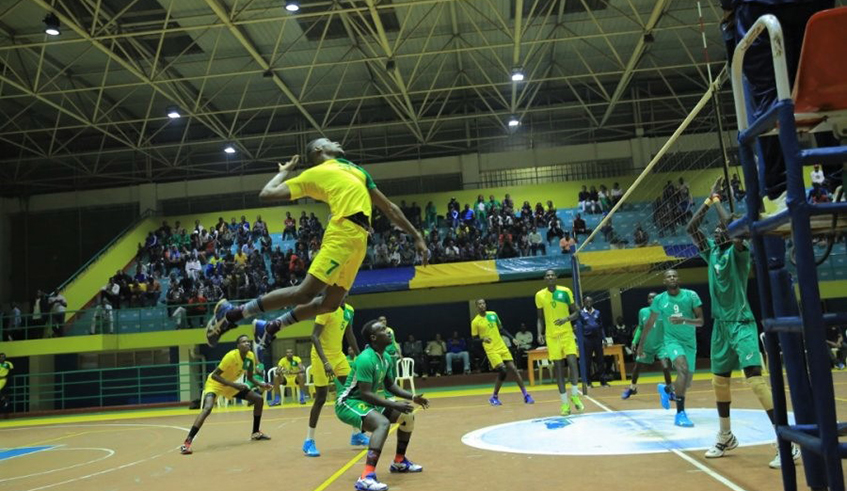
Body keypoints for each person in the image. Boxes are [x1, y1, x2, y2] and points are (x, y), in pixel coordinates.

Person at [205, 139, 428, 352]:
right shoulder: (315, 174)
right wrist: (283, 172)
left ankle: (270, 327)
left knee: (331, 304)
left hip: (360, 240)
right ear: (319, 150)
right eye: (331, 141)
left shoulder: (358, 171)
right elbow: (267, 194)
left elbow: (389, 208)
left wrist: (416, 235)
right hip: (342, 231)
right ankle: (232, 313)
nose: (338, 143)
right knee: (305, 294)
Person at [687, 177, 799, 467]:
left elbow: (737, 233)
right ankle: (726, 436)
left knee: (755, 382)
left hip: (741, 322)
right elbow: (691, 229)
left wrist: (722, 207)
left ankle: (786, 440)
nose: (716, 228)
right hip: (720, 327)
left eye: (721, 226)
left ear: (731, 231)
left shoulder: (739, 252)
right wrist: (709, 200)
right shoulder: (712, 251)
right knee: (718, 382)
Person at [335, 319, 429, 491]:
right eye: (383, 330)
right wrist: (395, 405)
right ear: (373, 337)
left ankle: (399, 462)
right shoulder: (365, 359)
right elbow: (366, 394)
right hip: (349, 402)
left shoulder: (385, 358)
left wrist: (413, 397)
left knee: (407, 416)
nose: (388, 332)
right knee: (382, 423)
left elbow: (390, 386)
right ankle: (366, 477)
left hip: (366, 401)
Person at [180, 335, 272, 454]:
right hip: (215, 384)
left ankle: (255, 433)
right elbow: (215, 375)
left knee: (258, 399)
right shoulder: (231, 356)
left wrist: (262, 384)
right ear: (238, 346)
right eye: (243, 342)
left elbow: (250, 377)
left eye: (248, 342)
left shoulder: (250, 357)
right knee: (207, 408)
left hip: (230, 386)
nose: (247, 344)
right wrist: (234, 385)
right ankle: (187, 443)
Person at [636, 269, 704, 428]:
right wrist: (641, 345)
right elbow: (649, 323)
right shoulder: (659, 299)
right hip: (672, 341)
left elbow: (701, 321)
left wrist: (683, 320)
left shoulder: (691, 295)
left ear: (678, 279)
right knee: (683, 369)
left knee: (685, 382)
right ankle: (680, 413)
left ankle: (666, 389)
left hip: (689, 342)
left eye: (674, 275)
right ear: (664, 281)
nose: (672, 277)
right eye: (668, 276)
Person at [300, 301, 367, 457]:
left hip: (339, 357)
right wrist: (325, 362)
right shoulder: (325, 309)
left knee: (353, 392)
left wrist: (360, 357)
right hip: (320, 357)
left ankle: (356, 435)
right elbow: (314, 337)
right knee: (321, 398)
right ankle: (309, 441)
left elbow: (350, 334)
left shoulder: (349, 310)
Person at [536, 269, 583, 415]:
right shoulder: (539, 295)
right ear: (545, 278)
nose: (550, 277)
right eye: (547, 275)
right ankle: (564, 404)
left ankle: (574, 395)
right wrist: (539, 333)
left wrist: (566, 319)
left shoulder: (565, 291)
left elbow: (577, 311)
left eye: (552, 275)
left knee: (572, 362)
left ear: (556, 277)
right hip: (551, 336)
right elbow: (539, 318)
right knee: (558, 368)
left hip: (567, 333)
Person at [471, 299, 533, 405]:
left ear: (485, 305)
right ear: (476, 307)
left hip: (502, 347)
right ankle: (494, 396)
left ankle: (526, 395)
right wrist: (483, 339)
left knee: (514, 369)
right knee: (503, 370)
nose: (482, 305)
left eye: (483, 303)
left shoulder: (493, 315)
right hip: (491, 349)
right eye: (479, 304)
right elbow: (474, 339)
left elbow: (501, 329)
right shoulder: (475, 322)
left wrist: (512, 338)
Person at [622, 292, 673, 400]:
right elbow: (640, 328)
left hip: (661, 345)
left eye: (654, 298)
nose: (652, 299)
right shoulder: (643, 312)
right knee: (637, 367)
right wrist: (634, 341)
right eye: (649, 298)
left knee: (665, 366)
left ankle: (670, 391)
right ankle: (632, 388)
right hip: (646, 345)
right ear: (648, 300)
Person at [578, 297, 608, 387]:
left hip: (597, 339)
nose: (589, 303)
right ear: (584, 302)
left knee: (600, 360)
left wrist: (604, 338)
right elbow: (578, 327)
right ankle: (588, 382)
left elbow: (601, 326)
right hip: (587, 340)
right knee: (588, 361)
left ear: (593, 302)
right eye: (587, 301)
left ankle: (603, 381)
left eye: (590, 301)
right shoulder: (581, 313)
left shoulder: (597, 312)